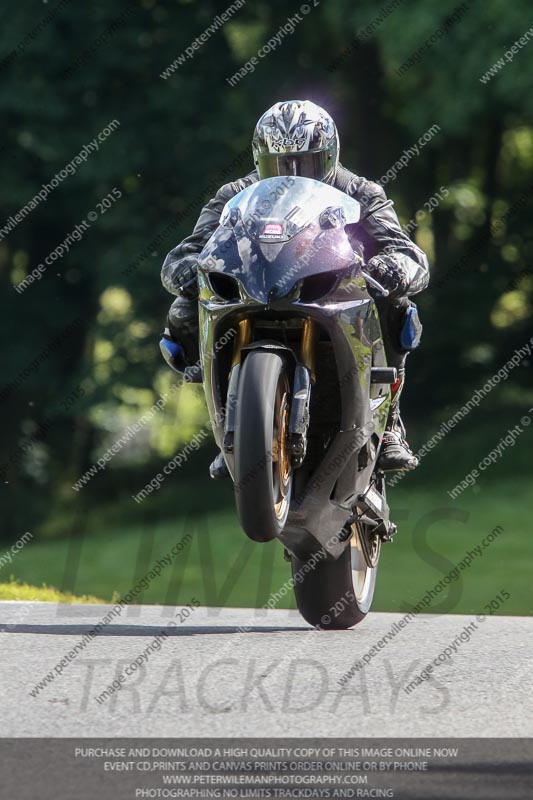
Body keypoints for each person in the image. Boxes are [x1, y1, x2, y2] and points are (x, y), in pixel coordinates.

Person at [161, 100, 429, 475]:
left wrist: (392, 269)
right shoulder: (233, 195)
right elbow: (187, 251)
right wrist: (187, 270)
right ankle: (228, 429)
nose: (293, 172)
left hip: (334, 291)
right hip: (255, 289)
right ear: (260, 160)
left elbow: (408, 253)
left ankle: (390, 429)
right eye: (281, 164)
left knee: (398, 306)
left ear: (331, 155)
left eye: (307, 162)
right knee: (184, 309)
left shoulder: (361, 191)